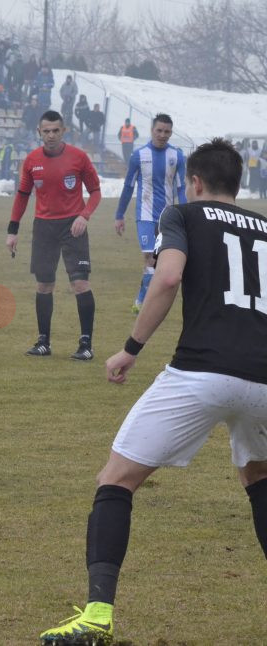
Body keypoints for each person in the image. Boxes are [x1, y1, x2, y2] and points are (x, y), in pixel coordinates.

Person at [39, 139, 267, 644]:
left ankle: (98, 615)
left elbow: (166, 278)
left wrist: (130, 348)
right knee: (258, 478)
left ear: (194, 181)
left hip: (201, 373)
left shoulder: (181, 214)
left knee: (116, 480)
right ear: (239, 183)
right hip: (265, 380)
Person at [6, 110, 102, 360]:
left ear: (64, 131)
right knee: (44, 284)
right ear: (39, 132)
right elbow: (22, 196)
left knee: (80, 283)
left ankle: (86, 344)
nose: (50, 135)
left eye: (55, 130)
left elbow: (95, 192)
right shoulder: (31, 161)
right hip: (44, 228)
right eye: (46, 131)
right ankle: (43, 342)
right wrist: (12, 231)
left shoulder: (79, 158)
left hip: (73, 226)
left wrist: (84, 216)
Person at [115, 114, 186, 314]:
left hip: (168, 217)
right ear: (152, 130)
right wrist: (119, 215)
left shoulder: (177, 156)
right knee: (150, 258)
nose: (163, 135)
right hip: (145, 216)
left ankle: (142, 298)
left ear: (171, 132)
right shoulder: (139, 156)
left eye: (167, 131)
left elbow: (181, 188)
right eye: (159, 130)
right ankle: (142, 305)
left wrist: (186, 212)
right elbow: (128, 187)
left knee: (160, 263)